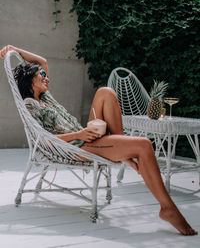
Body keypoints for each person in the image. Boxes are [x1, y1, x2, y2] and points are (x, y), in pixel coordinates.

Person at [0, 44, 198, 236]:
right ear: (30, 79)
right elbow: (43, 141)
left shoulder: (46, 97)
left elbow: (41, 61)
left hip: (85, 135)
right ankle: (167, 208)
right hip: (79, 146)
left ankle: (123, 153)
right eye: (42, 75)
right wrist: (78, 135)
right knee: (144, 145)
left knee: (106, 92)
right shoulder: (30, 104)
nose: (46, 77)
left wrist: (15, 50)